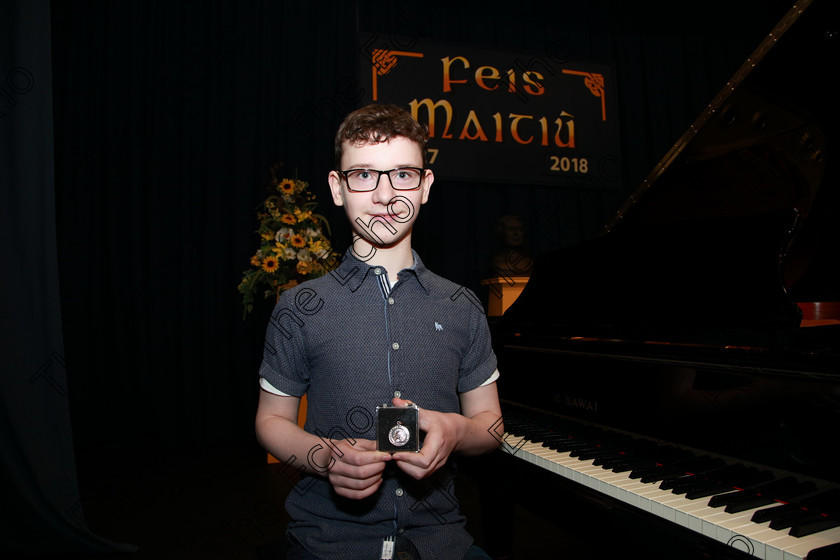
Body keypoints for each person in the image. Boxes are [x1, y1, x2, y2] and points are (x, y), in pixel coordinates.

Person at [255, 103, 503, 560]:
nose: (386, 195)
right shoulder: (299, 308)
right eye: (364, 175)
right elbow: (271, 422)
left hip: (441, 541)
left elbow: (491, 425)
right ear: (337, 187)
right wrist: (326, 456)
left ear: (425, 186)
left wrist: (454, 431)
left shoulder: (463, 307)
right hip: (327, 542)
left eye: (403, 175)